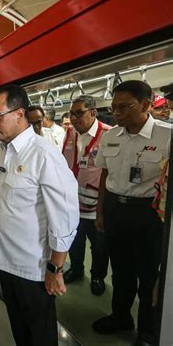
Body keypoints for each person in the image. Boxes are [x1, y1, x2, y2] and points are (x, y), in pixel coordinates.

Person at [0, 84, 79, 345]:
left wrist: (55, 267)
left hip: (33, 266)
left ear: (19, 113)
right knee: (19, 326)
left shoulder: (43, 155)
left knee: (40, 331)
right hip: (4, 261)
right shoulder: (0, 150)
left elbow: (65, 216)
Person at [93, 80, 170, 345]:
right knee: (121, 270)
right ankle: (121, 316)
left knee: (149, 277)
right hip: (116, 209)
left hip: (150, 214)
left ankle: (147, 332)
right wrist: (101, 212)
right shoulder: (111, 136)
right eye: (114, 107)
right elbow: (105, 174)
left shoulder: (166, 135)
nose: (116, 113)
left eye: (124, 107)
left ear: (146, 105)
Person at [61, 95, 110, 296]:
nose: (73, 118)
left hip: (96, 205)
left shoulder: (108, 134)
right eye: (72, 113)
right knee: (75, 241)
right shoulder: (70, 133)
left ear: (93, 112)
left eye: (78, 113)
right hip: (73, 203)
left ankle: (97, 276)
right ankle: (76, 269)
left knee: (99, 247)